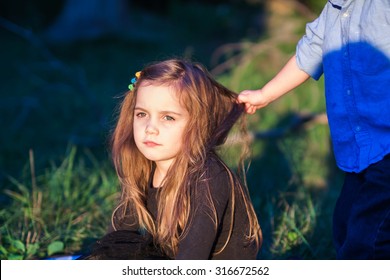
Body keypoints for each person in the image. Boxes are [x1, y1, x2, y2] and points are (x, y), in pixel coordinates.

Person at [237, 0, 390, 259]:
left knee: (369, 240)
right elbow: (309, 52)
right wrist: (265, 94)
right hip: (360, 151)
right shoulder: (333, 11)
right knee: (345, 226)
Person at [94, 58, 262, 260]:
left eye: (168, 117)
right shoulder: (142, 164)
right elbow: (117, 238)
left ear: (199, 124)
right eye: (142, 114)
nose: (150, 128)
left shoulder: (209, 179)